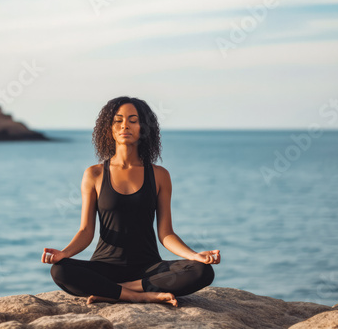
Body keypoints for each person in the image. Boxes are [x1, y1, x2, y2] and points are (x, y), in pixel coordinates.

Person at [41, 96, 220, 307]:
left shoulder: (160, 175)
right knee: (60, 270)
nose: (125, 125)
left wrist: (194, 255)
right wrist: (64, 253)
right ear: (109, 128)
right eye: (118, 120)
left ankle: (119, 290)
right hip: (105, 266)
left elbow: (166, 233)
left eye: (133, 120)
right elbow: (86, 231)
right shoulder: (94, 174)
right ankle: (139, 295)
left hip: (149, 268)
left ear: (143, 128)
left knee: (202, 271)